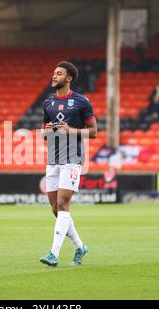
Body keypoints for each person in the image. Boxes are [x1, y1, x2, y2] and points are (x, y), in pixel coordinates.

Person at [39, 61, 97, 267]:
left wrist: (71, 130)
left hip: (72, 159)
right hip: (53, 159)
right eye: (53, 73)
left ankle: (53, 254)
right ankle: (81, 247)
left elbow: (94, 131)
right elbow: (44, 134)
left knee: (63, 204)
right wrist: (48, 131)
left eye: (58, 73)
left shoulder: (81, 101)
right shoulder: (48, 103)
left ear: (69, 78)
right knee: (56, 209)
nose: (54, 76)